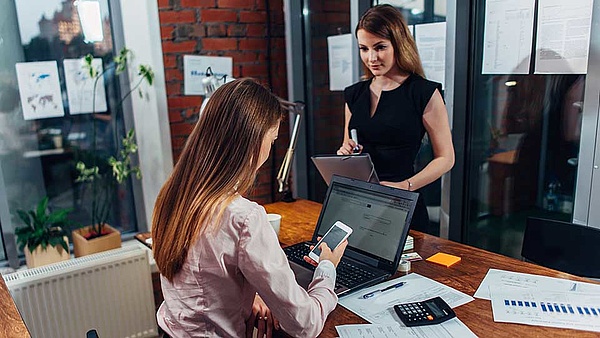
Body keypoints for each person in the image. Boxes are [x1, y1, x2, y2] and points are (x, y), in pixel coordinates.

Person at [152, 78, 348, 338]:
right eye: (273, 139)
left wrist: (250, 293)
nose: (270, 148)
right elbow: (305, 324)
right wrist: (327, 267)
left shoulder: (172, 195)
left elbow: (204, 281)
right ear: (254, 141)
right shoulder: (243, 217)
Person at [337, 4, 454, 234]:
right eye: (364, 48)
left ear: (398, 44)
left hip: (402, 202)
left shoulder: (423, 92)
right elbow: (348, 145)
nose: (371, 57)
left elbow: (446, 158)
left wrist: (406, 186)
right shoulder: (354, 94)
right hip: (359, 201)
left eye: (380, 47)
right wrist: (345, 152)